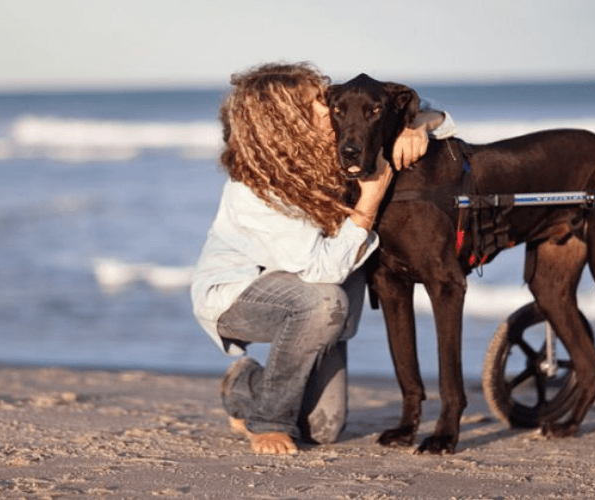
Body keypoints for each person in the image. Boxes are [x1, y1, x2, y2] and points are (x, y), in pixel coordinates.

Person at [190, 62, 456, 455]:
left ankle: (244, 385)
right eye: (316, 103)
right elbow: (323, 269)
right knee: (325, 300)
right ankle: (268, 422)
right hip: (241, 295)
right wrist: (369, 200)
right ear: (284, 120)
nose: (328, 107)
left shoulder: (329, 144)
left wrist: (415, 126)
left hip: (309, 300)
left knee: (324, 428)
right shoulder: (255, 186)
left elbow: (432, 113)